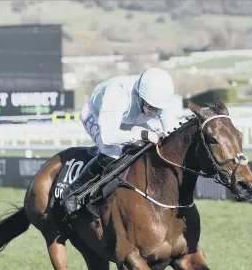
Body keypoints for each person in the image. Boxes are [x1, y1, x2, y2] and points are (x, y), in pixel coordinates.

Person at [61, 67, 178, 215]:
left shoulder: (161, 98)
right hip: (97, 115)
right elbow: (109, 136)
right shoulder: (117, 92)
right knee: (113, 152)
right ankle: (73, 192)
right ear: (140, 95)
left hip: (128, 118)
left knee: (152, 145)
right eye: (149, 107)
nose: (151, 113)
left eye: (156, 110)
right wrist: (143, 134)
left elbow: (172, 132)